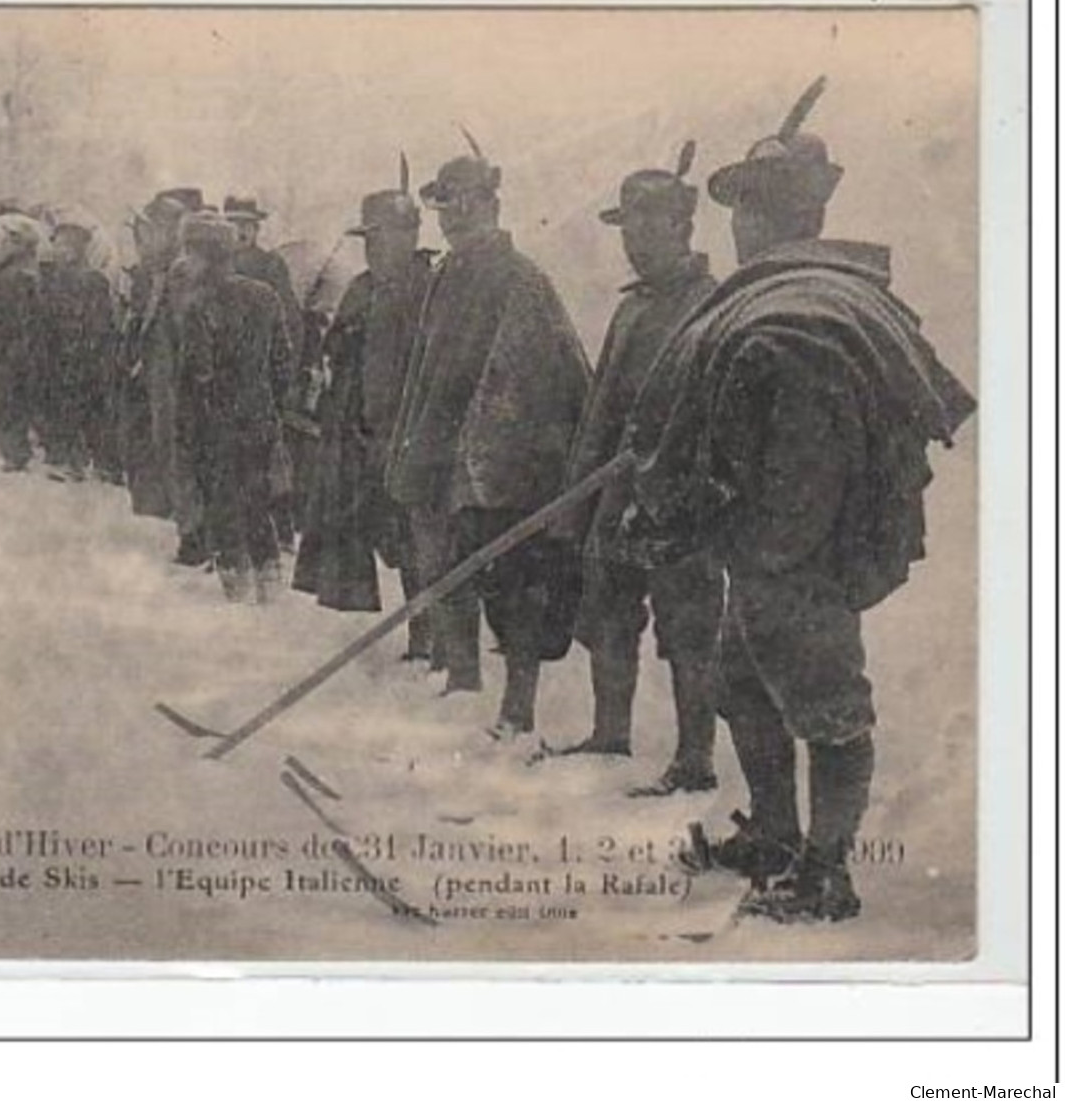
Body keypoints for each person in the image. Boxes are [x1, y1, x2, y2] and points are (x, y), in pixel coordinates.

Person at [617, 79, 976, 920]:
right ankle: (775, 836)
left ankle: (827, 874)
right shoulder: (796, 297)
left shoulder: (797, 315)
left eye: (744, 212)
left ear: (763, 221)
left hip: (797, 551)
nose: (736, 227)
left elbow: (805, 465)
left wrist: (762, 551)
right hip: (769, 545)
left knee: (824, 701)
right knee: (742, 683)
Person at [385, 143, 590, 758]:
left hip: (504, 457)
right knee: (443, 565)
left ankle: (517, 709)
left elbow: (541, 369)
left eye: (466, 203)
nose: (454, 217)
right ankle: (461, 679)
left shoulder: (521, 277)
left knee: (512, 584)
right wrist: (414, 440)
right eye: (444, 205)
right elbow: (426, 364)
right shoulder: (447, 275)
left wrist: (491, 451)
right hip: (442, 447)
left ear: (493, 205)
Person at [554, 144, 726, 798]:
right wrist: (582, 487)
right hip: (613, 488)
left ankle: (694, 759)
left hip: (678, 496)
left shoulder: (710, 304)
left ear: (681, 227)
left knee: (687, 624)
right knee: (607, 611)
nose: (632, 240)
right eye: (626, 226)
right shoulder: (631, 306)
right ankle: (609, 734)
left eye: (646, 225)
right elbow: (603, 404)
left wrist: (663, 462)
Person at [293, 184, 434, 660]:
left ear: (410, 234)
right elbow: (336, 348)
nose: (373, 247)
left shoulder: (430, 288)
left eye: (383, 236)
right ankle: (423, 634)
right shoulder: (362, 288)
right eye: (368, 238)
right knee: (378, 535)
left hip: (410, 438)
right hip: (359, 436)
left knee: (418, 542)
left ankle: (431, 642)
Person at [173, 213, 293, 603]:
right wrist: (267, 402)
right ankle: (269, 583)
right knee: (256, 500)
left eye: (189, 253)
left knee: (222, 503)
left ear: (205, 255)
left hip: (215, 422)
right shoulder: (264, 295)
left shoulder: (198, 305)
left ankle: (236, 591)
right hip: (258, 416)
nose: (184, 262)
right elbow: (283, 363)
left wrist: (190, 422)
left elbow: (197, 372)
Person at [121, 189, 208, 561]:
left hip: (179, 384)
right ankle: (189, 529)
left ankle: (197, 537)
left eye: (149, 229)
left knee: (182, 454)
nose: (141, 239)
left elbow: (188, 334)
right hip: (161, 379)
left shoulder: (184, 273)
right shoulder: (161, 272)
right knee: (167, 451)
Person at [225, 195, 309, 549]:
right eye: (233, 224)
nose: (240, 231)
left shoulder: (271, 265)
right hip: (228, 373)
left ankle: (283, 528)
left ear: (256, 228)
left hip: (261, 371)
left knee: (271, 454)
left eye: (246, 224)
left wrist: (285, 371)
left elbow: (289, 319)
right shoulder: (220, 265)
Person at [40, 214, 121, 482]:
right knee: (63, 405)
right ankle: (69, 459)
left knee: (89, 408)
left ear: (78, 249)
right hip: (60, 351)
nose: (59, 251)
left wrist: (86, 347)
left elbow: (101, 324)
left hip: (85, 354)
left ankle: (99, 463)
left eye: (65, 246)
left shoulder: (93, 281)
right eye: (58, 245)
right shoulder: (55, 279)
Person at [0, 213, 48, 471]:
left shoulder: (22, 275)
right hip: (5, 343)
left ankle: (15, 453)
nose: (4, 243)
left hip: (12, 346)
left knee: (6, 399)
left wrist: (2, 339)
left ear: (21, 246)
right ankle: (14, 451)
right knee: (6, 399)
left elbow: (21, 316)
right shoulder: (9, 269)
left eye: (10, 240)